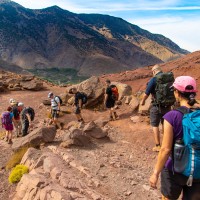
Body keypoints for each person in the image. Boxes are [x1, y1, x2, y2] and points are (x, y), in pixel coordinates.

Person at [149, 76, 200, 200]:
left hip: (174, 171)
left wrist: (155, 173)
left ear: (177, 93)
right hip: (198, 171)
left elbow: (165, 149)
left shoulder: (172, 116)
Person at [141, 65, 172, 152]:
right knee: (165, 124)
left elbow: (146, 93)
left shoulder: (154, 79)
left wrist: (142, 101)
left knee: (155, 125)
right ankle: (168, 144)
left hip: (156, 106)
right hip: (168, 105)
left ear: (154, 71)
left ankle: (158, 145)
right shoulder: (168, 78)